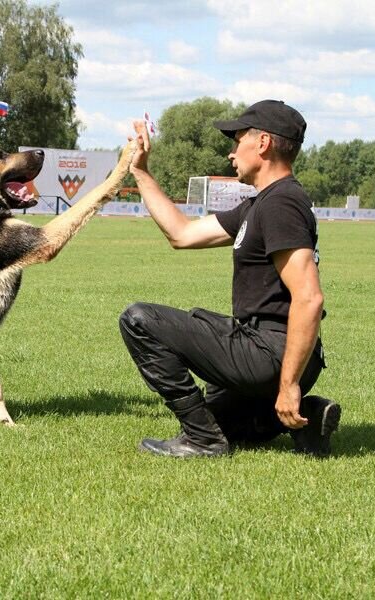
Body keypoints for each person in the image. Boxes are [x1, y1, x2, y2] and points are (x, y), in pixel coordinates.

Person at [119, 99, 341, 458]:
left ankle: (201, 440)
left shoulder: (280, 204)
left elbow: (309, 297)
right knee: (224, 423)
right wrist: (142, 173)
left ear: (264, 143)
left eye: (237, 140)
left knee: (139, 320)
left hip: (271, 353)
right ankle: (308, 417)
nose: (230, 153)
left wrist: (287, 384)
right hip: (278, 353)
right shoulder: (259, 204)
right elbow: (182, 234)